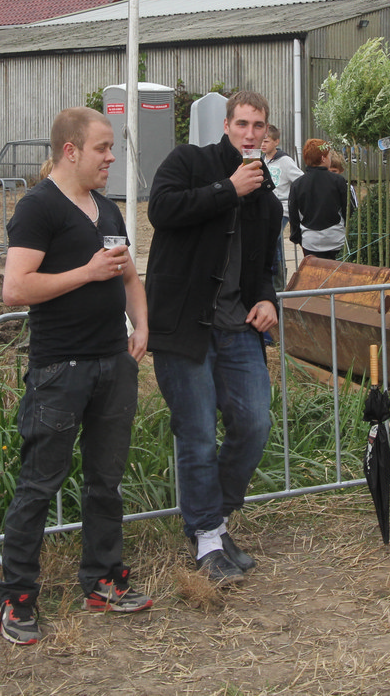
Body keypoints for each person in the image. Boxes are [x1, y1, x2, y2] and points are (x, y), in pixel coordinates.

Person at [0, 107, 151, 646]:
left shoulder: (106, 209)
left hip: (113, 364)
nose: (112, 158)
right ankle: (17, 597)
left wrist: (141, 326)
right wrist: (86, 273)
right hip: (60, 370)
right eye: (103, 148)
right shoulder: (38, 207)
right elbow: (15, 288)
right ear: (71, 150)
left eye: (111, 148)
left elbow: (129, 275)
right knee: (39, 486)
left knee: (105, 481)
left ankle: (103, 580)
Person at [146, 90, 282, 584]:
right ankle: (207, 537)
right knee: (198, 432)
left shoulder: (267, 197)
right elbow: (161, 210)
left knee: (255, 423)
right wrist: (228, 189)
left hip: (237, 325)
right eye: (242, 124)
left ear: (267, 132)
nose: (250, 134)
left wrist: (266, 299)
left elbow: (264, 267)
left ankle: (214, 519)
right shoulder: (189, 161)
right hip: (184, 325)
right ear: (226, 125)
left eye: (258, 126)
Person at [288, 140, 349, 260]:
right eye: (329, 155)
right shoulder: (338, 181)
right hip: (336, 239)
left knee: (314, 272)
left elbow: (293, 214)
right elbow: (347, 209)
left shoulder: (297, 184)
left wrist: (296, 237)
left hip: (310, 241)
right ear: (323, 158)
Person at [261, 124, 303, 283]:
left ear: (276, 142)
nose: (263, 144)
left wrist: (293, 201)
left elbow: (300, 180)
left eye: (266, 141)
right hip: (266, 208)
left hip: (282, 209)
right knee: (271, 242)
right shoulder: (262, 160)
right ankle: (274, 278)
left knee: (274, 239)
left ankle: (279, 281)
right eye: (261, 141)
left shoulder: (285, 161)